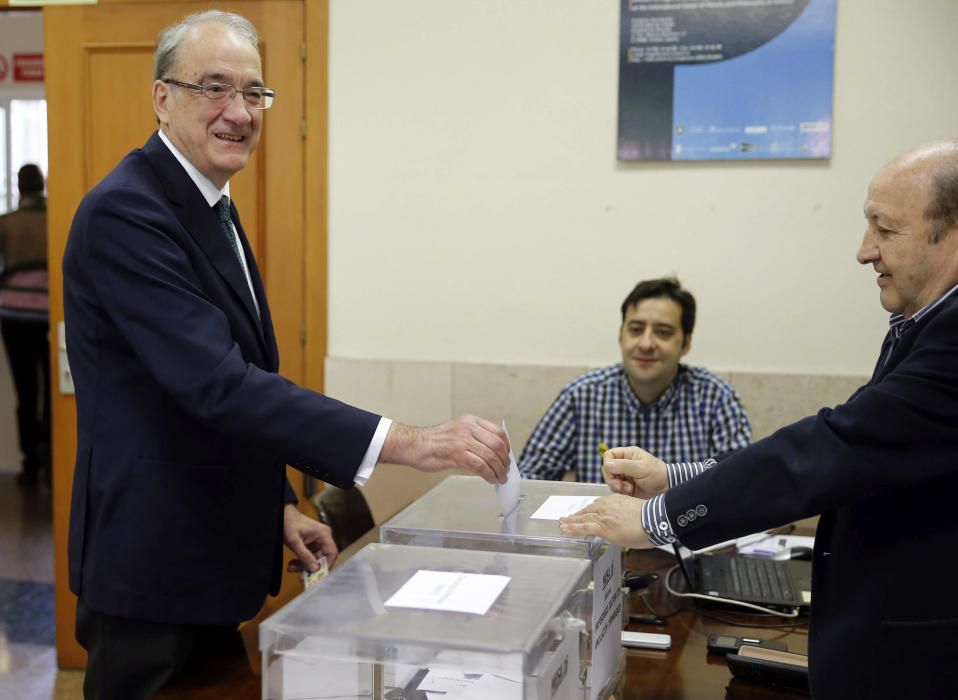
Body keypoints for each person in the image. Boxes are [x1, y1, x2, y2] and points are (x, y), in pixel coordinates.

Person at [61, 11, 509, 699]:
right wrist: (406, 442)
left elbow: (214, 396)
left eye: (253, 93)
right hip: (152, 573)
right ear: (162, 97)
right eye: (215, 88)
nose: (238, 113)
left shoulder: (209, 201)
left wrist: (278, 506)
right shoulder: (127, 212)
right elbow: (220, 387)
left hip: (210, 570)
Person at [559, 139, 958, 699]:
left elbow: (832, 451)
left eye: (885, 229)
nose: (865, 251)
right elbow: (842, 441)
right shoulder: (923, 323)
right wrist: (674, 478)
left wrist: (655, 517)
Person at [519, 277, 750, 482]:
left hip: (686, 530)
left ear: (686, 343)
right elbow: (527, 480)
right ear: (621, 335)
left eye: (663, 332)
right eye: (636, 329)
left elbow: (742, 483)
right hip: (599, 529)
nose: (646, 343)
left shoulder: (716, 399)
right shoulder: (581, 396)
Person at [0, 164, 50, 487]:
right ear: (42, 185)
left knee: (26, 391)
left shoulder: (6, 223)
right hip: (49, 315)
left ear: (19, 187)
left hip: (13, 316)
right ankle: (53, 459)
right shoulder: (55, 217)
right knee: (54, 393)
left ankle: (30, 463)